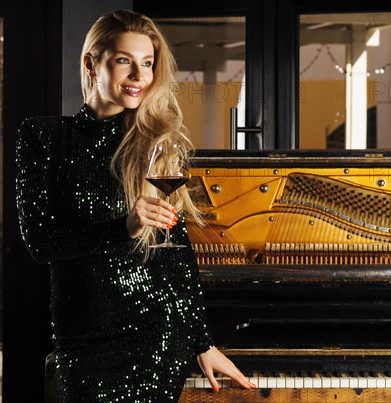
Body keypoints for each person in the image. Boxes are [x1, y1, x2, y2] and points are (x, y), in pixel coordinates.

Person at [16, 9, 255, 402]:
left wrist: (202, 341)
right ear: (91, 63)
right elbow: (41, 244)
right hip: (83, 334)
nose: (139, 76)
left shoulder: (154, 143)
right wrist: (121, 227)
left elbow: (175, 252)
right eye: (125, 61)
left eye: (147, 64)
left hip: (156, 333)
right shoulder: (43, 137)